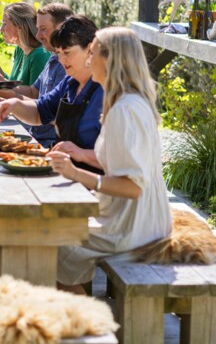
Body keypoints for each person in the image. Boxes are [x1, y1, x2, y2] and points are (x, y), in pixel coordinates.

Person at [47, 27, 172, 294]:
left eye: (92, 54)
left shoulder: (125, 110)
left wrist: (76, 173)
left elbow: (132, 187)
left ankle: (93, 330)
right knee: (51, 236)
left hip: (132, 227)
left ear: (111, 59)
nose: (89, 61)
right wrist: (78, 156)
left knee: (46, 250)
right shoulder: (125, 103)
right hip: (132, 218)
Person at [0, 15, 104, 174]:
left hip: (93, 185)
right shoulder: (69, 83)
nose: (61, 59)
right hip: (63, 175)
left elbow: (121, 160)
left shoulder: (105, 91)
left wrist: (81, 154)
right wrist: (14, 105)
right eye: (58, 52)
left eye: (67, 52)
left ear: (90, 50)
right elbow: (40, 111)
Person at [0, 3, 73, 146]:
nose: (39, 35)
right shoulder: (53, 58)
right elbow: (34, 92)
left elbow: (50, 113)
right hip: (35, 133)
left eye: (43, 29)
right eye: (38, 29)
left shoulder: (56, 61)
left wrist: (2, 96)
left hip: (46, 141)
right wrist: (1, 88)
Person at [0, 2, 50, 86]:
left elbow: (33, 96)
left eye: (4, 24)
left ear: (20, 26)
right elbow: (14, 85)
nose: (1, 29)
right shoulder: (20, 50)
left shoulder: (40, 55)